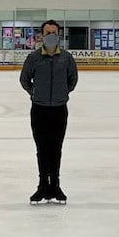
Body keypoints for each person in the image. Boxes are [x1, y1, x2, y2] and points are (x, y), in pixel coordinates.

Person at [20, 19, 78, 204]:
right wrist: (35, 93)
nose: (51, 36)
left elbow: (72, 80)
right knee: (42, 149)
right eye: (48, 33)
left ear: (59, 35)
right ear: (42, 36)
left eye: (54, 32)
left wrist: (62, 94)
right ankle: (42, 185)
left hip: (59, 110)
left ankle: (56, 186)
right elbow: (24, 80)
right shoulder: (34, 58)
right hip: (39, 110)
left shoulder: (66, 58)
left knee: (56, 149)